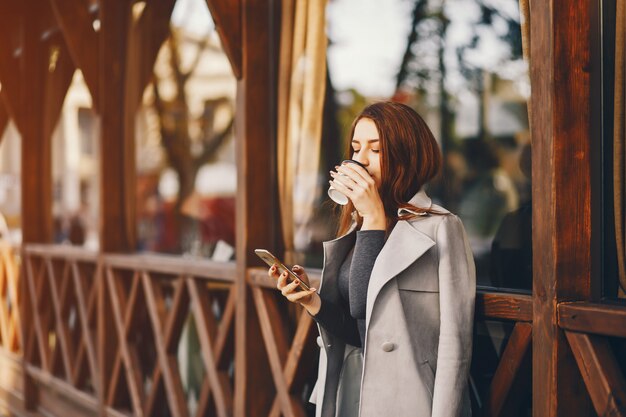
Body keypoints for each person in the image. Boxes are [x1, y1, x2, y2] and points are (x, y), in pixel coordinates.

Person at [268, 101, 476, 417]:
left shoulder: (442, 227)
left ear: (406, 156)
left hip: (410, 400)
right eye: (355, 148)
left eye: (376, 150)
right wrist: (312, 301)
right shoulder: (359, 224)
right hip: (355, 391)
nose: (360, 161)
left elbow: (455, 346)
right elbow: (361, 324)